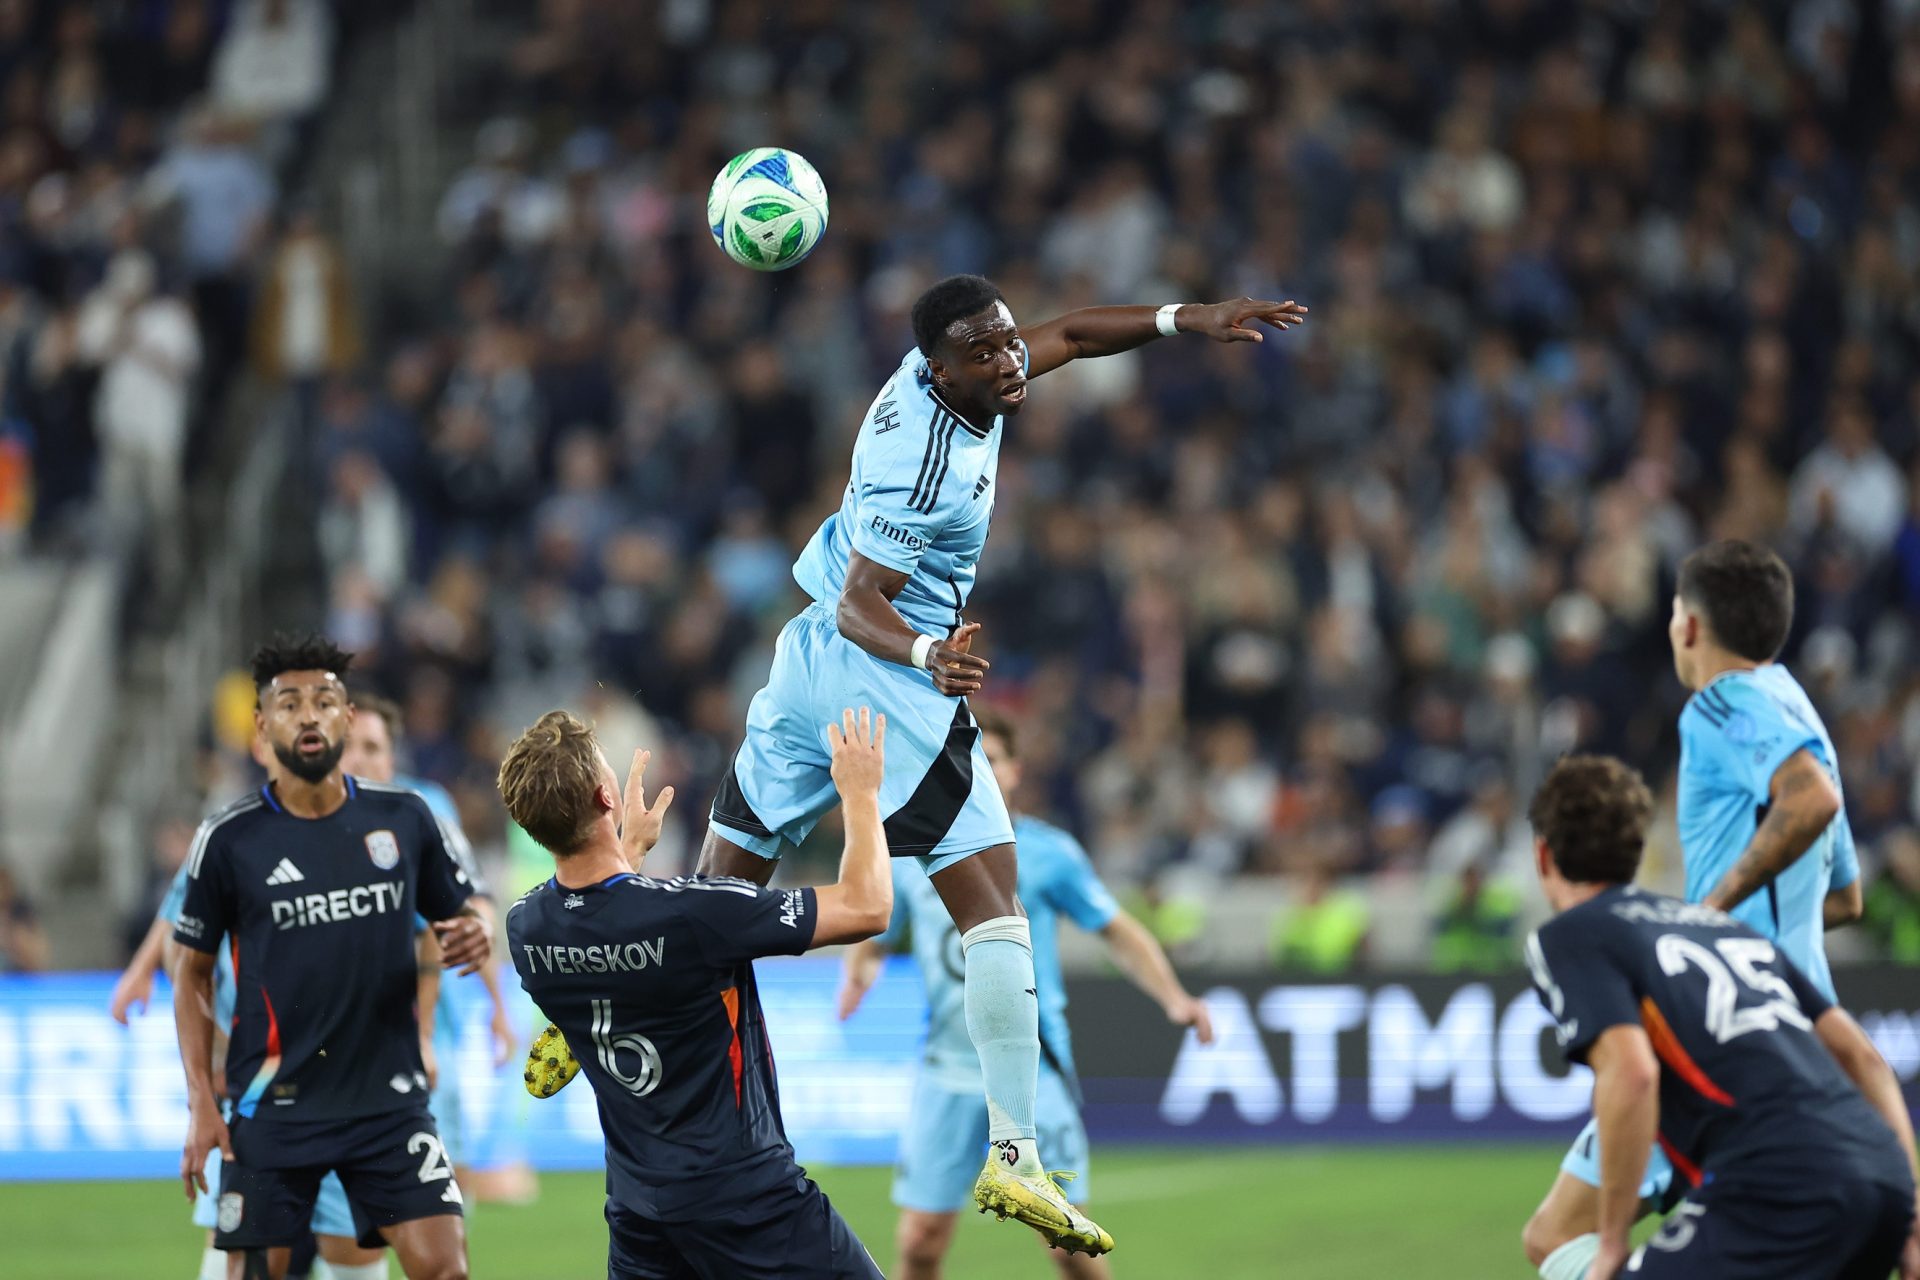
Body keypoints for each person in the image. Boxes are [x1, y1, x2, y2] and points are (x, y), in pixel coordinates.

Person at [698, 274, 1306, 1253]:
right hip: (880, 670)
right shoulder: (925, 462)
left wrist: (1186, 318)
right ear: (941, 370)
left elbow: (1071, 334)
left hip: (804, 659)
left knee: (718, 891)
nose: (1010, 359)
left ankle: (612, 993)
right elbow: (862, 601)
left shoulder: (961, 375)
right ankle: (1016, 1156)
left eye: (1005, 339)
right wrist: (927, 655)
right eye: (983, 351)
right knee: (995, 904)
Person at [1524, 539, 1867, 1280]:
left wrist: (1703, 916)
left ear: (1689, 626)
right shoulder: (1798, 711)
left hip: (1718, 1029)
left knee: (1555, 1237)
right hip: (1805, 1029)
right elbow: (1845, 897)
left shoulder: (1718, 704)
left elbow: (1811, 801)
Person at [500, 706, 891, 1279]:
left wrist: (626, 856)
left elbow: (605, 932)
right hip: (746, 1200)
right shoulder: (695, 914)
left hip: (639, 1216)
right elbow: (866, 906)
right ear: (607, 796)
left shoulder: (527, 929)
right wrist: (860, 792)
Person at [834, 706, 1215, 1280]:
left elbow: (1116, 929)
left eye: (993, 760)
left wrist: (1174, 998)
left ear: (1015, 772)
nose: (980, 770)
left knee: (1066, 1245)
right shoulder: (909, 851)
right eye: (968, 758)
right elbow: (876, 930)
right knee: (919, 1243)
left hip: (1034, 1074)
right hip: (946, 1072)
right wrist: (858, 973)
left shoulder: (1046, 852)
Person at [1520, 754, 1918, 1279]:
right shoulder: (1720, 927)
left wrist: (1612, 1241)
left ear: (1543, 855)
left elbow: (1632, 1073)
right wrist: (1912, 1217)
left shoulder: (1574, 934)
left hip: (1780, 1188)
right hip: (1882, 1178)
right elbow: (1863, 1058)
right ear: (1637, 852)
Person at [172, 634, 491, 1280]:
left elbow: (457, 917)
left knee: (446, 1269)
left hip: (388, 1103)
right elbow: (191, 974)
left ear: (347, 717)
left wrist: (476, 934)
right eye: (290, 704)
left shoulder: (406, 818)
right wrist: (202, 1100)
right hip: (273, 1105)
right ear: (262, 727)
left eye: (324, 701)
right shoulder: (229, 840)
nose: (309, 716)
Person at [118, 730, 394, 1280]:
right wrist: (143, 972)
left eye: (372, 747)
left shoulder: (388, 831)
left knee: (352, 1251)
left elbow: (420, 941)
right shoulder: (232, 836)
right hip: (261, 1089)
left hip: (349, 1087)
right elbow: (183, 935)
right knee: (239, 1253)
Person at [341, 694, 523, 1198]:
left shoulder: (424, 809)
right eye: (348, 745)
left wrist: (497, 1005)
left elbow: (468, 905)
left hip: (428, 1030)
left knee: (443, 1184)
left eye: (371, 747)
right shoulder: (308, 819)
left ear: (392, 756)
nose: (358, 758)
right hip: (339, 1038)